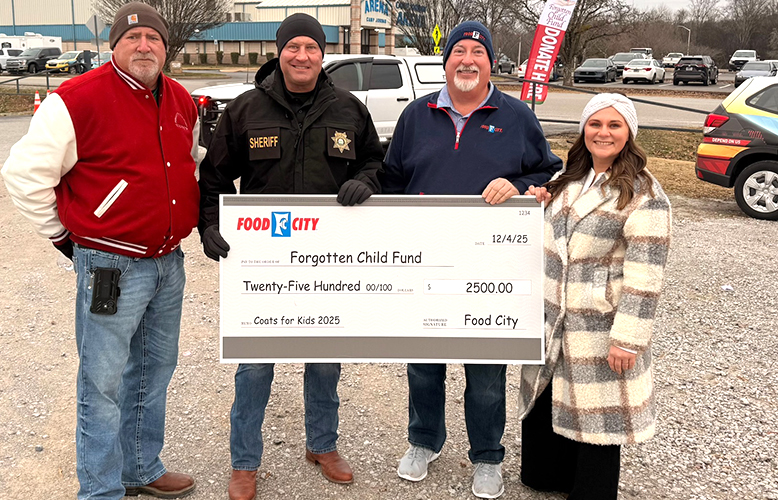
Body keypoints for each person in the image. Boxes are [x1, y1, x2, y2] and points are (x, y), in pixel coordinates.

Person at [0, 3, 199, 499]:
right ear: (114, 45)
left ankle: (139, 466)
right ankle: (101, 489)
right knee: (103, 383)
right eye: (132, 39)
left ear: (166, 47)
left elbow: (189, 162)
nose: (144, 46)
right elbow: (24, 176)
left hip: (167, 263)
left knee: (154, 369)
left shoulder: (179, 99)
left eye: (153, 38)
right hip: (111, 265)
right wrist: (64, 237)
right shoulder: (75, 99)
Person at [196, 13, 383, 500]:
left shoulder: (349, 109)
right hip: (264, 264)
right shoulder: (244, 110)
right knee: (254, 365)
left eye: (312, 48)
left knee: (325, 361)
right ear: (278, 52)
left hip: (329, 263)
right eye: (293, 47)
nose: (302, 56)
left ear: (324, 55)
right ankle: (244, 462)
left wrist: (367, 180)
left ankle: (322, 445)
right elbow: (215, 177)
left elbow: (374, 160)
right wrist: (210, 225)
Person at [382, 20, 563, 499]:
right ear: (446, 62)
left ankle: (486, 455)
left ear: (489, 63)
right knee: (423, 364)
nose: (466, 59)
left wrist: (521, 186)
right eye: (458, 51)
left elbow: (548, 170)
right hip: (424, 262)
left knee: (486, 371)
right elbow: (392, 178)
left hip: (490, 267)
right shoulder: (416, 115)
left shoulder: (516, 115)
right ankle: (424, 441)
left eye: (476, 53)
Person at [518, 93, 672, 500]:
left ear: (629, 133)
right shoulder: (571, 178)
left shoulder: (643, 193)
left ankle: (591, 492)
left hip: (600, 322)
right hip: (554, 317)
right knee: (551, 398)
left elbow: (646, 273)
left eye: (614, 125)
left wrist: (628, 339)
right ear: (584, 129)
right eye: (595, 124)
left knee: (597, 419)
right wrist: (537, 203)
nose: (603, 133)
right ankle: (549, 476)